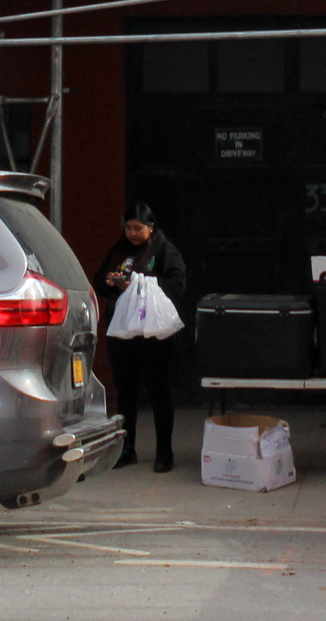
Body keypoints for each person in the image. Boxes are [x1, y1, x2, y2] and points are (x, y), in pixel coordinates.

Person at [95, 202, 188, 472]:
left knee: (158, 389)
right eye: (128, 228)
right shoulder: (119, 250)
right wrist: (112, 282)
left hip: (152, 332)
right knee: (125, 391)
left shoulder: (163, 250)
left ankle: (164, 452)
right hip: (122, 329)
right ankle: (127, 448)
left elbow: (177, 283)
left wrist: (140, 282)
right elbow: (99, 281)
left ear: (151, 228)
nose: (133, 233)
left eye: (138, 228)